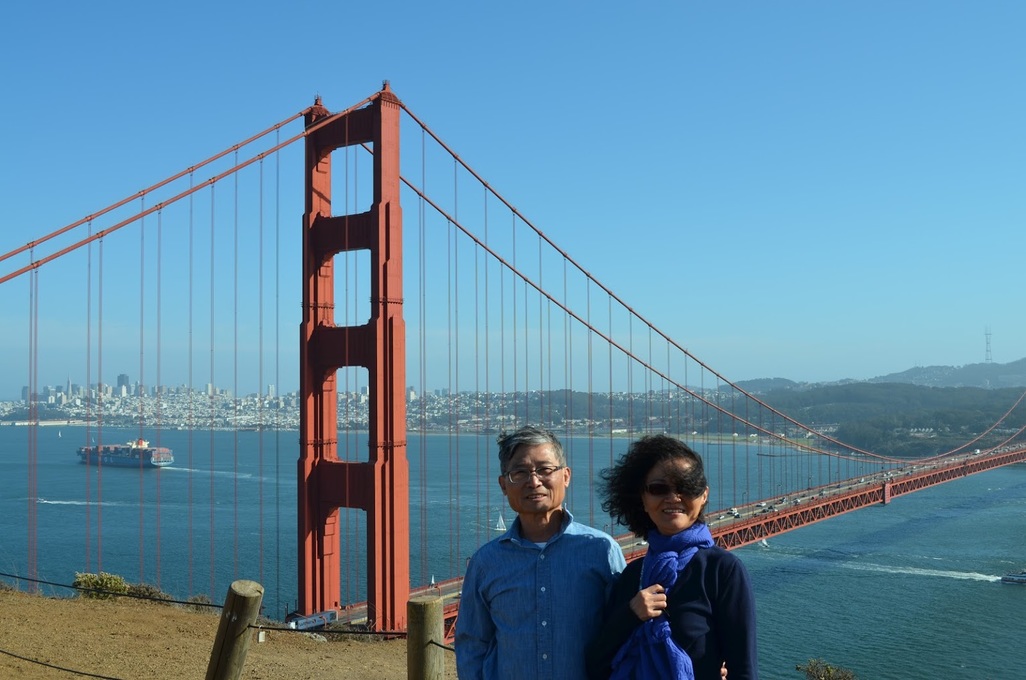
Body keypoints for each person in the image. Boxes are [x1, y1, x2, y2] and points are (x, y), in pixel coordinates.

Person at [455, 425, 627, 680]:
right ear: (504, 485)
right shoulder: (486, 562)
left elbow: (624, 631)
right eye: (519, 472)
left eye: (545, 470)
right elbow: (472, 644)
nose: (533, 481)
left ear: (566, 476)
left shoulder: (601, 550)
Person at [586, 434, 758, 680]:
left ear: (704, 496)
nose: (673, 497)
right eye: (659, 488)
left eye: (686, 487)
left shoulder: (722, 570)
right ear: (643, 500)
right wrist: (631, 614)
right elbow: (596, 666)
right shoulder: (633, 575)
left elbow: (744, 670)